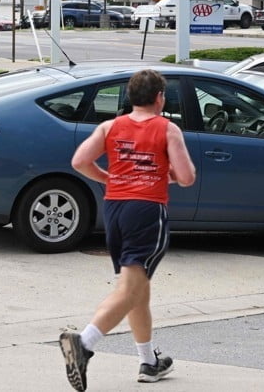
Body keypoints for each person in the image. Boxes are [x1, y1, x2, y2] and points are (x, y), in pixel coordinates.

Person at [61, 69, 197, 391]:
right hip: (147, 210)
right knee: (130, 290)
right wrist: (168, 175)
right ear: (160, 98)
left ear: (130, 98)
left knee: (138, 287)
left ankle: (149, 361)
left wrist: (111, 178)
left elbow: (79, 161)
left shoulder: (110, 126)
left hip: (115, 210)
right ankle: (84, 342)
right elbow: (187, 176)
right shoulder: (167, 128)